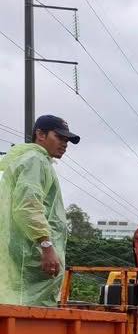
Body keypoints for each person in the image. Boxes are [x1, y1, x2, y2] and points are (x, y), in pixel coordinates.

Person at [0, 115, 79, 306]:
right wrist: (46, 246)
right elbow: (28, 206)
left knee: (18, 303)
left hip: (25, 252)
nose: (64, 144)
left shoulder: (29, 160)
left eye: (67, 140)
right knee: (29, 309)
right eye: (59, 137)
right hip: (32, 255)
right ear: (40, 135)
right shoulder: (36, 161)